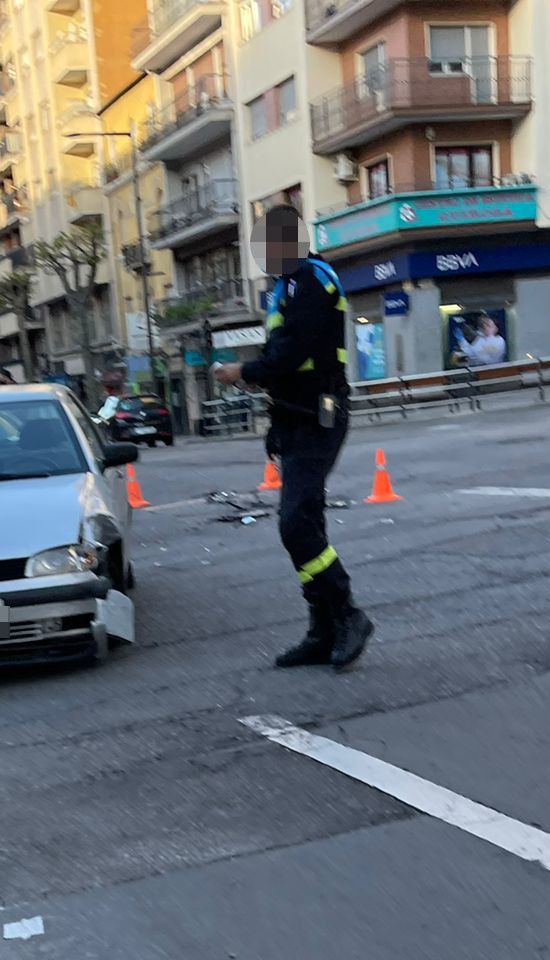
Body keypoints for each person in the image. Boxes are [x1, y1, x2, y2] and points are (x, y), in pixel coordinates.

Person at [213, 205, 373, 670]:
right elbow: (285, 359)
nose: (260, 257)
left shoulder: (308, 279)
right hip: (298, 416)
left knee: (296, 522)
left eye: (265, 247)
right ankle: (323, 629)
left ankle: (346, 614)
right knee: (305, 524)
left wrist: (246, 370)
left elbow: (292, 351)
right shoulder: (288, 286)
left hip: (318, 414)